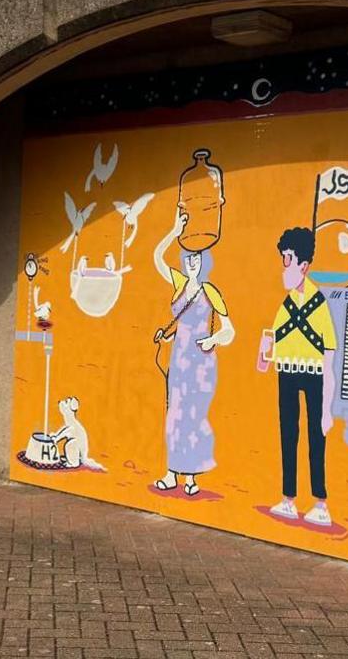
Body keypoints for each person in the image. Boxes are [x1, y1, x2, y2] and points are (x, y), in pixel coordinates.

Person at [151, 210, 234, 496]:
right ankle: (172, 473)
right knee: (174, 414)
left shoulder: (211, 291)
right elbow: (156, 258)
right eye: (188, 258)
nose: (192, 262)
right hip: (178, 358)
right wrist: (174, 231)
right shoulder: (178, 284)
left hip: (201, 363)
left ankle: (191, 478)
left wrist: (213, 340)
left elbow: (230, 330)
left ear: (204, 261)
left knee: (194, 416)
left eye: (197, 258)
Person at [260, 227, 336, 527]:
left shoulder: (319, 305)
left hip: (315, 375)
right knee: (287, 435)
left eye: (288, 259)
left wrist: (328, 407)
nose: (284, 266)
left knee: (317, 437)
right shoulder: (286, 305)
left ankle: (320, 502)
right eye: (283, 258)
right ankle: (289, 498)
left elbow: (329, 356)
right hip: (287, 373)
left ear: (304, 265)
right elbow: (268, 353)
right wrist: (265, 352)